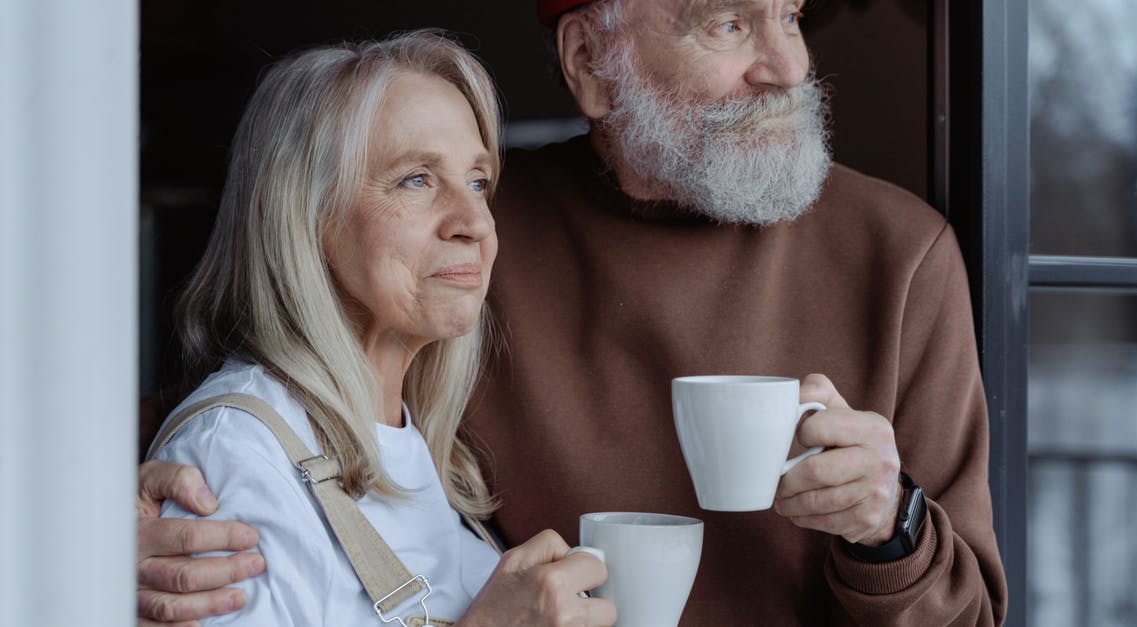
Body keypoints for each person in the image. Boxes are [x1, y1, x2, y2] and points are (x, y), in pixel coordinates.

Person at [138, 1, 1009, 625]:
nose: (787, 65)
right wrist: (101, 522)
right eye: (729, 23)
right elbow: (260, 409)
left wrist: (888, 528)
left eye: (789, 14)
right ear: (591, 60)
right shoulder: (465, 251)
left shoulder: (901, 255)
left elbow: (968, 615)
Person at [140, 30, 616, 626]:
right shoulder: (232, 458)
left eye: (477, 182)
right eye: (416, 179)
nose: (475, 221)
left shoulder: (416, 446)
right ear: (303, 212)